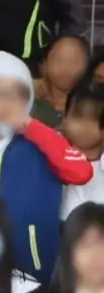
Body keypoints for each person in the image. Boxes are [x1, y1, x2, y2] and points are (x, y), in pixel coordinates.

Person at [0, 51, 93, 280]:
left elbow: (81, 172)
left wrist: (30, 126)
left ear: (27, 99)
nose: (5, 101)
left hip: (36, 274)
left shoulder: (45, 144)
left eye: (16, 93)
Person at [63, 82, 104, 216]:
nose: (85, 126)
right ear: (65, 117)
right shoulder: (47, 163)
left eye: (95, 119)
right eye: (78, 116)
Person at [34, 32, 91, 128]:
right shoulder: (29, 102)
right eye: (59, 60)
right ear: (44, 64)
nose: (66, 67)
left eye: (74, 61)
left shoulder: (95, 109)